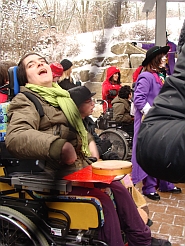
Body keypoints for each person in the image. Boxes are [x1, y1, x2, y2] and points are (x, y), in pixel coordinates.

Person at [4, 52, 171, 246]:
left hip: (79, 167)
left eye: (43, 62)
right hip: (52, 173)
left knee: (119, 188)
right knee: (103, 202)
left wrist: (90, 142)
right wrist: (57, 146)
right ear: (25, 78)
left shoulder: (62, 97)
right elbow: (16, 136)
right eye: (31, 65)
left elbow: (78, 131)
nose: (40, 65)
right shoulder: (26, 100)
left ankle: (142, 241)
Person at [131, 46, 181, 201]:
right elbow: (139, 99)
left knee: (164, 151)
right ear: (155, 59)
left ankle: (166, 184)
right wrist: (153, 114)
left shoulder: (160, 76)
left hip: (162, 121)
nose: (166, 58)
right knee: (152, 152)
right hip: (149, 123)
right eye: (162, 56)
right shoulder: (146, 76)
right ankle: (149, 186)